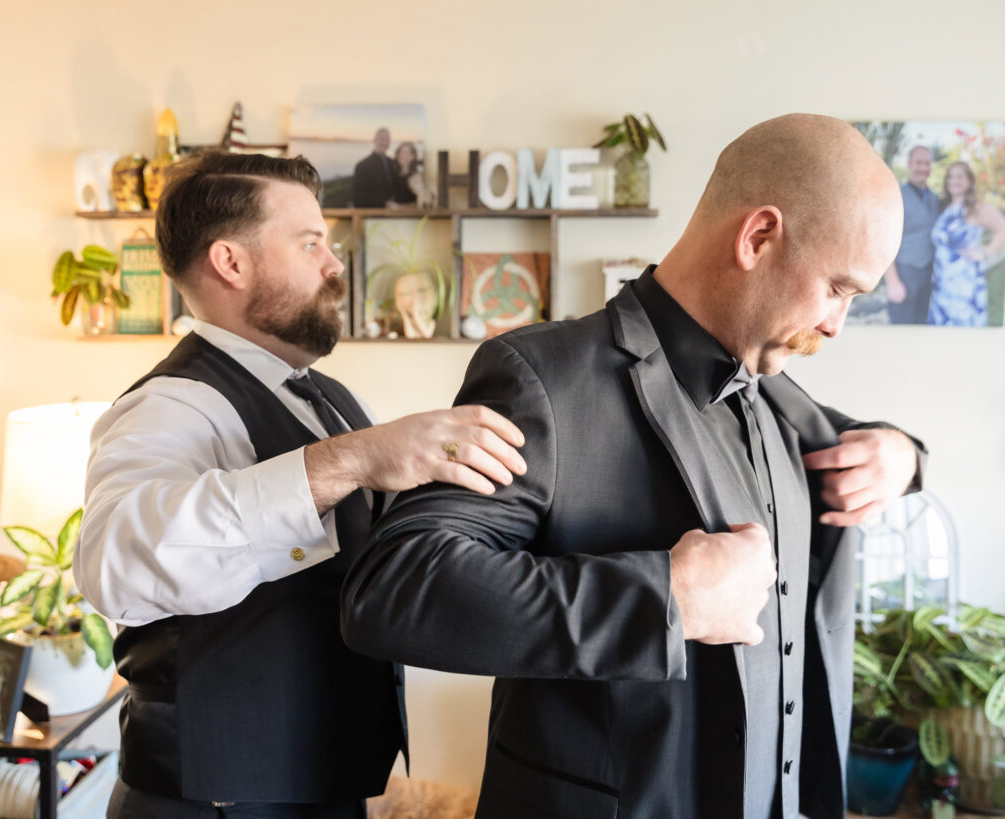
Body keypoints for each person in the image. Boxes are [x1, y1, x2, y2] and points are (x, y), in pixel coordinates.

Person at [341, 114, 927, 819]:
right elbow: (396, 588)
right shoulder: (543, 379)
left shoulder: (776, 389)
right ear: (759, 237)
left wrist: (904, 455)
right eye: (837, 289)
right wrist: (666, 598)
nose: (835, 324)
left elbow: (866, 443)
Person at [75, 150, 527, 819]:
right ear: (231, 261)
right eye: (311, 242)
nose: (335, 265)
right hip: (213, 803)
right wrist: (345, 462)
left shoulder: (330, 398)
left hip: (319, 786)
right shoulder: (171, 405)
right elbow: (111, 562)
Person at [928, 159, 1005, 326]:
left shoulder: (977, 208)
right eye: (950, 177)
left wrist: (986, 251)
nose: (953, 181)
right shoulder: (945, 207)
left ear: (970, 181)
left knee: (963, 336)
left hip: (965, 284)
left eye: (959, 177)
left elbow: (1002, 229)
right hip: (941, 285)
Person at [884, 145, 939, 324]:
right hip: (904, 274)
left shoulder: (934, 198)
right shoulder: (896, 195)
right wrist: (893, 282)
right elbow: (885, 241)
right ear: (909, 164)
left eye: (927, 163)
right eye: (918, 163)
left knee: (921, 326)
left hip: (927, 276)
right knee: (901, 328)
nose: (923, 168)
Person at [351, 128, 394, 207]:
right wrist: (384, 204)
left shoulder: (392, 162)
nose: (384, 142)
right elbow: (358, 199)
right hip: (373, 215)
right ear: (374, 140)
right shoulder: (362, 166)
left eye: (387, 139)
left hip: (393, 213)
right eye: (381, 139)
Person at [392, 271, 438, 338]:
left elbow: (427, 335)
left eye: (421, 291)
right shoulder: (408, 321)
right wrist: (403, 313)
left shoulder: (431, 322)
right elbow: (410, 336)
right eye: (403, 294)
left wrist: (415, 314)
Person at [388, 142, 432, 208]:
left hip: (409, 216)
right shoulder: (394, 174)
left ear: (413, 157)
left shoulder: (416, 177)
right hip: (393, 215)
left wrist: (399, 207)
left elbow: (421, 204)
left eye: (406, 153)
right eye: (401, 152)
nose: (402, 155)